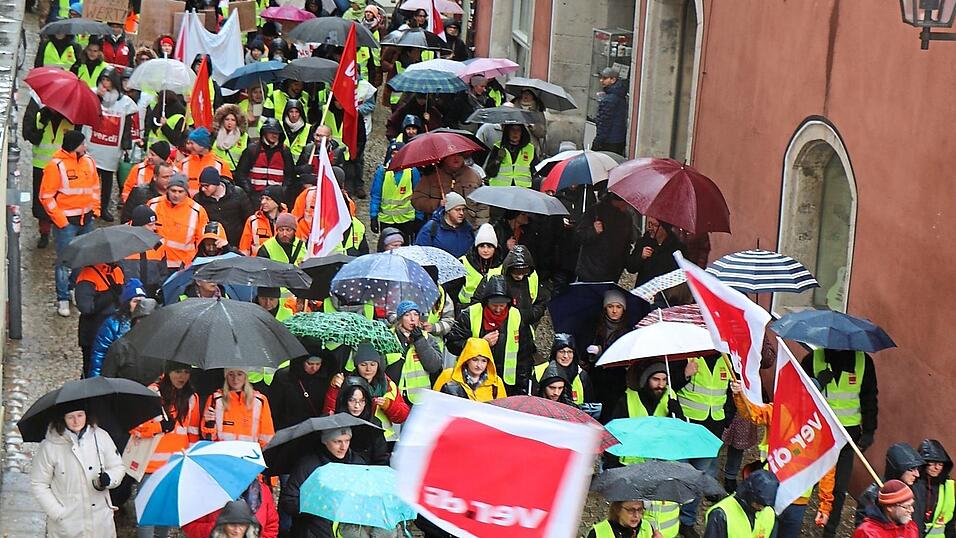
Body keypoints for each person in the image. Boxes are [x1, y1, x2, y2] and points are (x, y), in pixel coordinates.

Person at [802, 346, 879, 538]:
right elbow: (798, 391)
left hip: (847, 436)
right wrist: (818, 382)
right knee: (804, 479)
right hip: (817, 431)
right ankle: (791, 522)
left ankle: (829, 531)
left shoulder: (863, 363)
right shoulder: (814, 359)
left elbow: (869, 398)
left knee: (839, 487)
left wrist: (869, 430)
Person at [30, 405, 125, 538]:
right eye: (70, 417)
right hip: (68, 524)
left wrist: (110, 478)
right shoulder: (49, 446)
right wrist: (57, 512)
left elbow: (117, 466)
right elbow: (38, 483)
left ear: (87, 415)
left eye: (80, 415)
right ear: (62, 419)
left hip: (100, 520)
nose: (76, 421)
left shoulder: (101, 437)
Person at [131, 361, 201, 538]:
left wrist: (190, 463)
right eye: (178, 371)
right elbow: (135, 427)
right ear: (168, 372)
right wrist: (159, 427)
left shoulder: (192, 398)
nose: (182, 377)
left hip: (175, 466)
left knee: (165, 516)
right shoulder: (152, 393)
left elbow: (193, 433)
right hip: (151, 466)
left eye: (186, 372)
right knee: (147, 515)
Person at [40, 130, 100, 316]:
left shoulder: (88, 161)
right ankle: (63, 298)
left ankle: (73, 288)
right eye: (83, 144)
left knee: (82, 259)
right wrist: (61, 221)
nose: (86, 147)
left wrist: (95, 209)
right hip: (67, 223)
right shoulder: (55, 166)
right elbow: (46, 196)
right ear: (75, 146)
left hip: (86, 219)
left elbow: (95, 187)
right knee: (65, 262)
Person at [673, 353, 735, 533]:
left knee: (698, 478)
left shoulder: (726, 359)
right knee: (681, 475)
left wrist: (727, 420)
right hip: (686, 426)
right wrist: (685, 374)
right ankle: (670, 517)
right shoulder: (687, 357)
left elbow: (731, 393)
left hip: (712, 430)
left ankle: (687, 522)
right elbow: (669, 386)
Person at [446, 275, 535, 395]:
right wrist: (481, 344)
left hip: (506, 384)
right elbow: (452, 343)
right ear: (486, 302)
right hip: (472, 381)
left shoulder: (516, 316)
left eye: (502, 305)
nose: (498, 309)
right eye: (494, 305)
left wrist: (522, 388)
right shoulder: (470, 314)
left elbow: (524, 355)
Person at [280, 427, 365, 538]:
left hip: (348, 530)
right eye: (337, 441)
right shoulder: (307, 465)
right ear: (325, 441)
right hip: (312, 531)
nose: (343, 447)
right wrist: (315, 505)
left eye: (347, 440)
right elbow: (289, 500)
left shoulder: (358, 464)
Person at [325, 343, 410, 442]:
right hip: (354, 439)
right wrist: (334, 388)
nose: (368, 369)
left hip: (385, 439)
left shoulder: (388, 385)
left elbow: (403, 416)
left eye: (373, 364)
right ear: (356, 365)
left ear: (378, 365)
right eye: (363, 364)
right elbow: (329, 413)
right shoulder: (346, 384)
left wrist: (389, 406)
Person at [84, 67, 136, 222]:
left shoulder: (125, 103)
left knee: (107, 180)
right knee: (90, 178)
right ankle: (89, 206)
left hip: (111, 148)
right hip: (92, 146)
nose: (105, 83)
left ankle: (103, 207)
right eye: (103, 79)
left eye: (108, 80)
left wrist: (126, 143)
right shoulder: (92, 94)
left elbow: (127, 125)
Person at [23, 97, 75, 248]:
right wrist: (39, 129)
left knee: (59, 200)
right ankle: (44, 232)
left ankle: (60, 229)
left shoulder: (70, 121)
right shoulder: (40, 116)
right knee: (41, 202)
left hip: (61, 168)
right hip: (41, 165)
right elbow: (30, 136)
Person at [386, 301, 444, 405]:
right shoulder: (389, 337)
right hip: (393, 397)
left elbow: (434, 366)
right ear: (400, 319)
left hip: (419, 399)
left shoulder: (428, 338)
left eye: (416, 314)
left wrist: (420, 340)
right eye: (407, 315)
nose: (412, 319)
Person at [87, 278, 149, 377]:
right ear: (127, 303)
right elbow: (99, 355)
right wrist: (96, 382)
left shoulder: (150, 322)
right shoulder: (112, 324)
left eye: (142, 301)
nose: (139, 305)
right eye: (135, 301)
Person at [201, 368, 276, 450]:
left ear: (245, 376)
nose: (235, 379)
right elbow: (208, 437)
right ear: (226, 376)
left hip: (249, 455)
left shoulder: (260, 400)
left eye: (240, 374)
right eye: (231, 374)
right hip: (221, 454)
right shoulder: (215, 399)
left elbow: (267, 435)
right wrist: (209, 423)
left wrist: (259, 453)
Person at [855, 443, 926, 529]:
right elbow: (865, 530)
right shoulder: (872, 496)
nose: (917, 474)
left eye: (918, 469)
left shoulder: (916, 490)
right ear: (898, 469)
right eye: (911, 469)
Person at [148, 174, 210, 269]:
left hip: (182, 266)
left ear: (186, 192)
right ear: (167, 190)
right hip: (154, 262)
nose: (176, 195)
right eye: (173, 191)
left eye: (180, 191)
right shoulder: (153, 205)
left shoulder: (197, 211)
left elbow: (202, 242)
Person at [590, 289, 634, 421]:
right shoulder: (595, 327)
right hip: (596, 379)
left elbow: (622, 354)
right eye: (610, 306)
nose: (614, 311)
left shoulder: (627, 331)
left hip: (617, 380)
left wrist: (601, 351)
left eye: (618, 307)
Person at [411, 152, 487, 226]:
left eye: (459, 155)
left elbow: (483, 204)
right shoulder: (432, 175)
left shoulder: (474, 175)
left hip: (468, 229)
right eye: (452, 155)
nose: (456, 158)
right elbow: (417, 200)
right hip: (439, 228)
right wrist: (438, 203)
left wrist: (480, 226)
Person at [575, 192, 637, 282]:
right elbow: (579, 236)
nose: (628, 205)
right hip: (590, 271)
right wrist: (593, 231)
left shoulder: (627, 216)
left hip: (613, 273)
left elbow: (628, 242)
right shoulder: (595, 211)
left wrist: (623, 264)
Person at [270, 352, 338, 431]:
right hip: (289, 428)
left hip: (314, 428)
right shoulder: (284, 377)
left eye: (318, 364)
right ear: (301, 362)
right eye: (310, 364)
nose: (314, 368)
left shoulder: (326, 378)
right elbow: (274, 406)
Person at [369, 141, 422, 243]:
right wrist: (373, 216)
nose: (396, 156)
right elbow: (376, 195)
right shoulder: (382, 171)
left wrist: (419, 217)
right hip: (387, 219)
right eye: (393, 153)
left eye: (399, 153)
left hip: (407, 220)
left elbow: (418, 195)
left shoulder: (412, 171)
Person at [703, 469, 779, 538]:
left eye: (765, 505)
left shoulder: (769, 512)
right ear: (749, 494)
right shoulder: (721, 514)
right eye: (758, 503)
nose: (761, 508)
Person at [236, 118, 294, 207]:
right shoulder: (252, 149)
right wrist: (249, 191)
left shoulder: (285, 151)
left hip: (276, 197)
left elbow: (290, 175)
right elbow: (241, 173)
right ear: (264, 132)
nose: (274, 135)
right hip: (255, 196)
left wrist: (283, 191)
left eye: (276, 133)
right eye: (271, 132)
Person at [488, 244, 549, 327]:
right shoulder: (493, 276)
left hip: (524, 327)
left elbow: (540, 301)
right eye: (516, 272)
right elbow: (478, 301)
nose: (520, 276)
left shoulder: (532, 277)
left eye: (524, 272)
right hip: (497, 325)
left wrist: (530, 316)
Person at [332, 376, 389, 465]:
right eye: (352, 400)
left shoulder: (374, 424)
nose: (357, 406)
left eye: (362, 401)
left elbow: (381, 458)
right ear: (344, 400)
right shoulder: (333, 423)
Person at [433, 337, 507, 402]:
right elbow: (433, 403)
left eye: (483, 361)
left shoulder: (496, 383)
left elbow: (502, 411)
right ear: (467, 359)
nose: (479, 365)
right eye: (475, 360)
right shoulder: (448, 376)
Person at [194, 166, 253, 247]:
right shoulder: (198, 199)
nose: (203, 189)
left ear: (216, 183)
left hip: (238, 243)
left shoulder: (238, 194)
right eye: (201, 186)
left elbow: (249, 219)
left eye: (206, 186)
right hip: (213, 246)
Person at [183, 489, 276, 538]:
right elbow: (190, 525)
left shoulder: (262, 491)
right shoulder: (205, 493)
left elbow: (271, 526)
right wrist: (217, 530)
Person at [534, 333, 594, 406]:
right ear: (555, 353)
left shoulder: (582, 375)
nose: (566, 356)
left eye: (570, 352)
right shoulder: (539, 371)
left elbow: (589, 402)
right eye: (561, 351)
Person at [414, 192, 475, 258]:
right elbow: (420, 253)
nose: (461, 213)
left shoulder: (467, 228)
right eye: (457, 210)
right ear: (448, 210)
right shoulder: (431, 228)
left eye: (463, 210)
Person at [627, 217, 686, 287]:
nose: (650, 228)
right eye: (649, 224)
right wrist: (641, 256)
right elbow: (631, 267)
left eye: (654, 225)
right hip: (644, 289)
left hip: (664, 291)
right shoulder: (644, 241)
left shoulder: (677, 248)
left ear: (665, 228)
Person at [854, 479, 920, 538]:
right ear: (890, 507)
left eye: (912, 505)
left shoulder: (911, 527)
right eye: (906, 507)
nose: (912, 510)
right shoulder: (867, 533)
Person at [916, 439, 954, 538]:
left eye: (940, 464)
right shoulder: (914, 484)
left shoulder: (948, 486)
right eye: (932, 463)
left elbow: (951, 520)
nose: (936, 467)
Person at [459, 223, 503, 305]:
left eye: (489, 246)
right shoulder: (464, 262)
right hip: (466, 308)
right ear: (476, 247)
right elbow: (453, 290)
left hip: (491, 309)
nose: (485, 250)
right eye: (482, 246)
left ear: (495, 248)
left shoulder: (501, 265)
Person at [181, 127, 234, 196]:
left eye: (192, 143)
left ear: (202, 145)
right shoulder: (183, 163)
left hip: (212, 205)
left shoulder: (221, 165)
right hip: (189, 205)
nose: (188, 146)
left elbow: (228, 190)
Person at [239, 185, 287, 256]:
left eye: (268, 199)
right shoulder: (253, 221)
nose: (263, 202)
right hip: (257, 264)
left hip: (281, 264)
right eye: (262, 198)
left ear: (277, 202)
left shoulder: (288, 221)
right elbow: (244, 249)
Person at [592, 67, 629, 155]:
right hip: (618, 138)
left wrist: (597, 142)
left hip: (609, 140)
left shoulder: (610, 99)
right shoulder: (619, 94)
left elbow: (604, 122)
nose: (601, 81)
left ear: (613, 79)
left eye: (605, 78)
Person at [588, 500, 663, 538]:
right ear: (618, 510)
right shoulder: (597, 533)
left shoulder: (647, 527)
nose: (636, 515)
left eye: (639, 510)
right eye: (631, 510)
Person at [212, 104, 249, 174]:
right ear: (222, 120)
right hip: (215, 172)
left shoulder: (244, 137)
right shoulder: (214, 135)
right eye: (227, 119)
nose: (229, 122)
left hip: (234, 174)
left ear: (237, 122)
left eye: (233, 120)